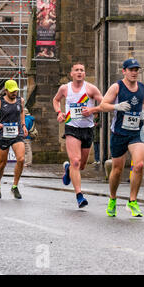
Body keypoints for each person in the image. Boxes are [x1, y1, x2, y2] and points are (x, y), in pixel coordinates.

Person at [99, 58, 144, 218]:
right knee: (117, 170)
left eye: (136, 69)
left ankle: (132, 201)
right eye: (131, 70)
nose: (134, 72)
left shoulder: (143, 87)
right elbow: (102, 105)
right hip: (119, 133)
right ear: (124, 71)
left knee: (139, 165)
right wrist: (116, 106)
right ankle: (113, 199)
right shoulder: (117, 87)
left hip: (136, 132)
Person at [52, 63, 103, 208]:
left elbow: (104, 103)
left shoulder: (91, 89)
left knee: (80, 166)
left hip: (87, 129)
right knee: (75, 161)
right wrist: (59, 113)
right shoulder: (65, 88)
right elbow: (56, 100)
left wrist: (92, 109)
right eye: (77, 70)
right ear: (71, 73)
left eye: (82, 70)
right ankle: (79, 196)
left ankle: (68, 169)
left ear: (85, 74)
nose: (79, 72)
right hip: (71, 128)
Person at [0, 80, 27, 199]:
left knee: (21, 159)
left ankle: (15, 186)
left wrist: (23, 125)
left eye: (16, 90)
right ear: (6, 91)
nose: (14, 92)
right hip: (3, 135)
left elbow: (22, 112)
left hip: (17, 134)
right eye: (12, 90)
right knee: (2, 163)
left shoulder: (20, 100)